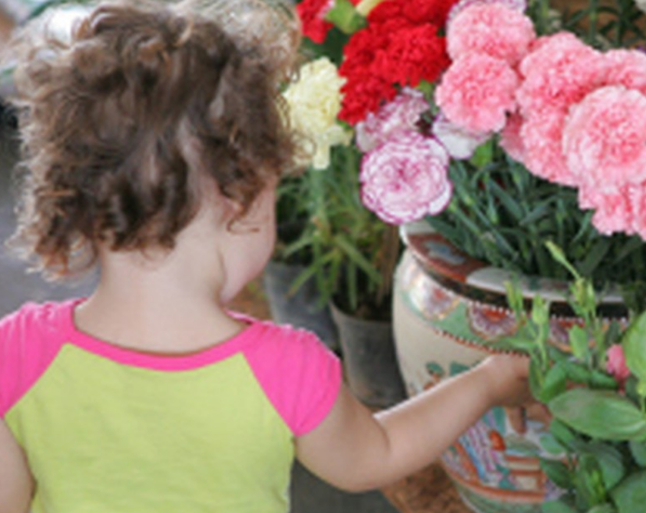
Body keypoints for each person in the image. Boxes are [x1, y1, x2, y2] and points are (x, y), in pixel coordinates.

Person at [0, 1, 531, 512]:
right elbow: (377, 456)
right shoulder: (285, 369)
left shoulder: (17, 355)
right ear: (246, 196)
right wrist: (485, 382)